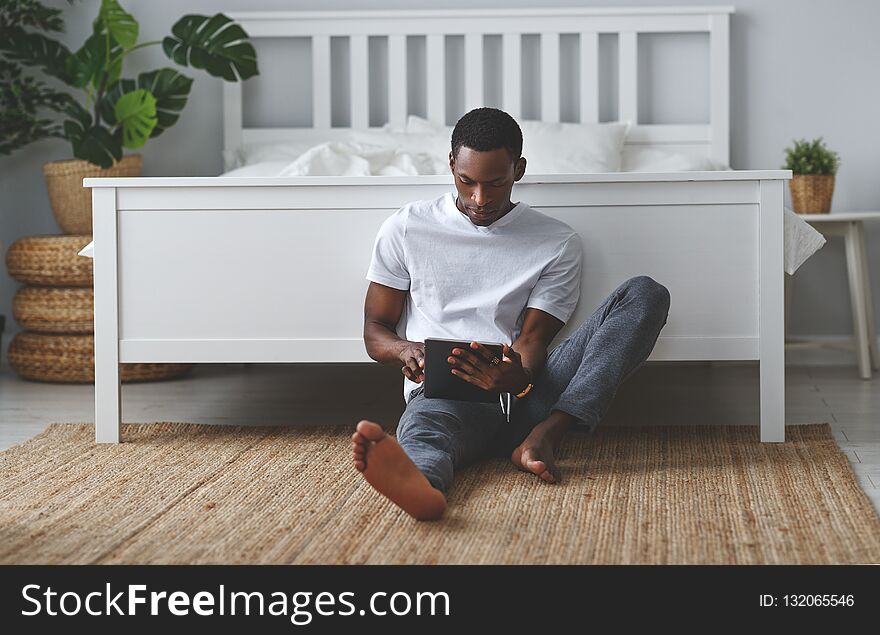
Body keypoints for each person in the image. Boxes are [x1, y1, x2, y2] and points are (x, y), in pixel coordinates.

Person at [352, 108, 670, 521]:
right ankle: (422, 484)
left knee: (645, 294)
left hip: (529, 395)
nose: (479, 199)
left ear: (518, 169)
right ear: (451, 163)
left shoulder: (556, 241)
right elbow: (374, 330)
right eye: (466, 182)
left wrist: (517, 376)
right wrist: (403, 350)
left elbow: (534, 340)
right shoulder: (407, 228)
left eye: (495, 183)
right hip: (450, 396)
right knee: (427, 428)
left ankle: (546, 436)